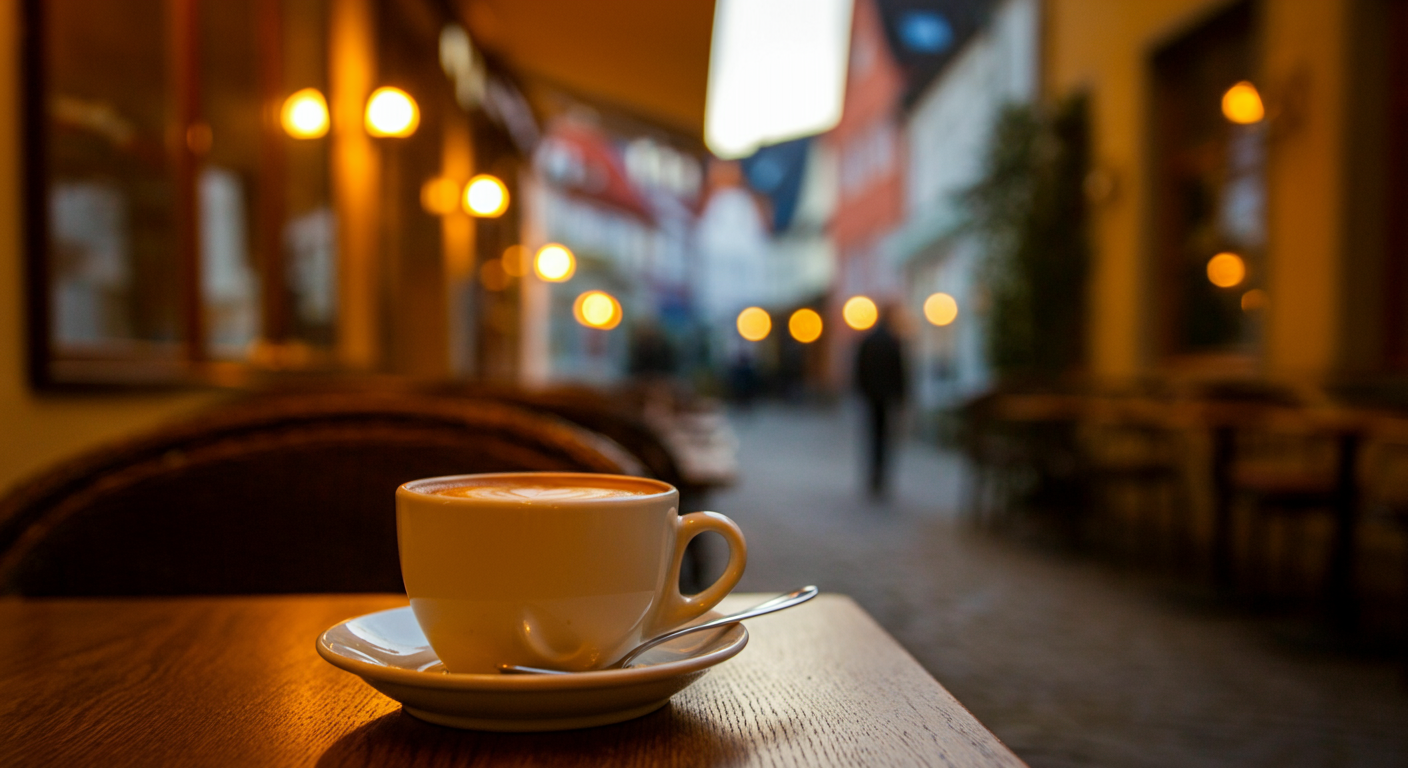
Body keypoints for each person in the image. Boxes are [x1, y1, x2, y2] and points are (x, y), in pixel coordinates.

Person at [854, 305, 908, 498]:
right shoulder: (893, 341)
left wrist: (861, 391)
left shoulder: (868, 340)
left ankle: (873, 477)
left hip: (871, 396)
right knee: (885, 438)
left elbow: (859, 370)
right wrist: (902, 396)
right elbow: (900, 372)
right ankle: (881, 478)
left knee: (872, 437)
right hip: (887, 397)